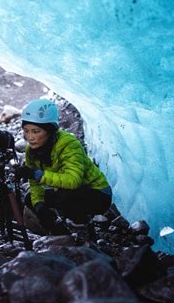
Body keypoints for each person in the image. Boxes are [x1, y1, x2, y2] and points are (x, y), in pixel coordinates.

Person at [15, 98, 112, 235]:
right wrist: (39, 205)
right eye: (26, 131)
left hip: (98, 193)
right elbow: (35, 184)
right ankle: (62, 236)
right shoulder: (31, 151)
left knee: (64, 196)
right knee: (31, 198)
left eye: (36, 131)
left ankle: (84, 231)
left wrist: (37, 174)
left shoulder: (69, 144)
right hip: (69, 191)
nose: (30, 137)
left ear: (50, 131)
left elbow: (73, 180)